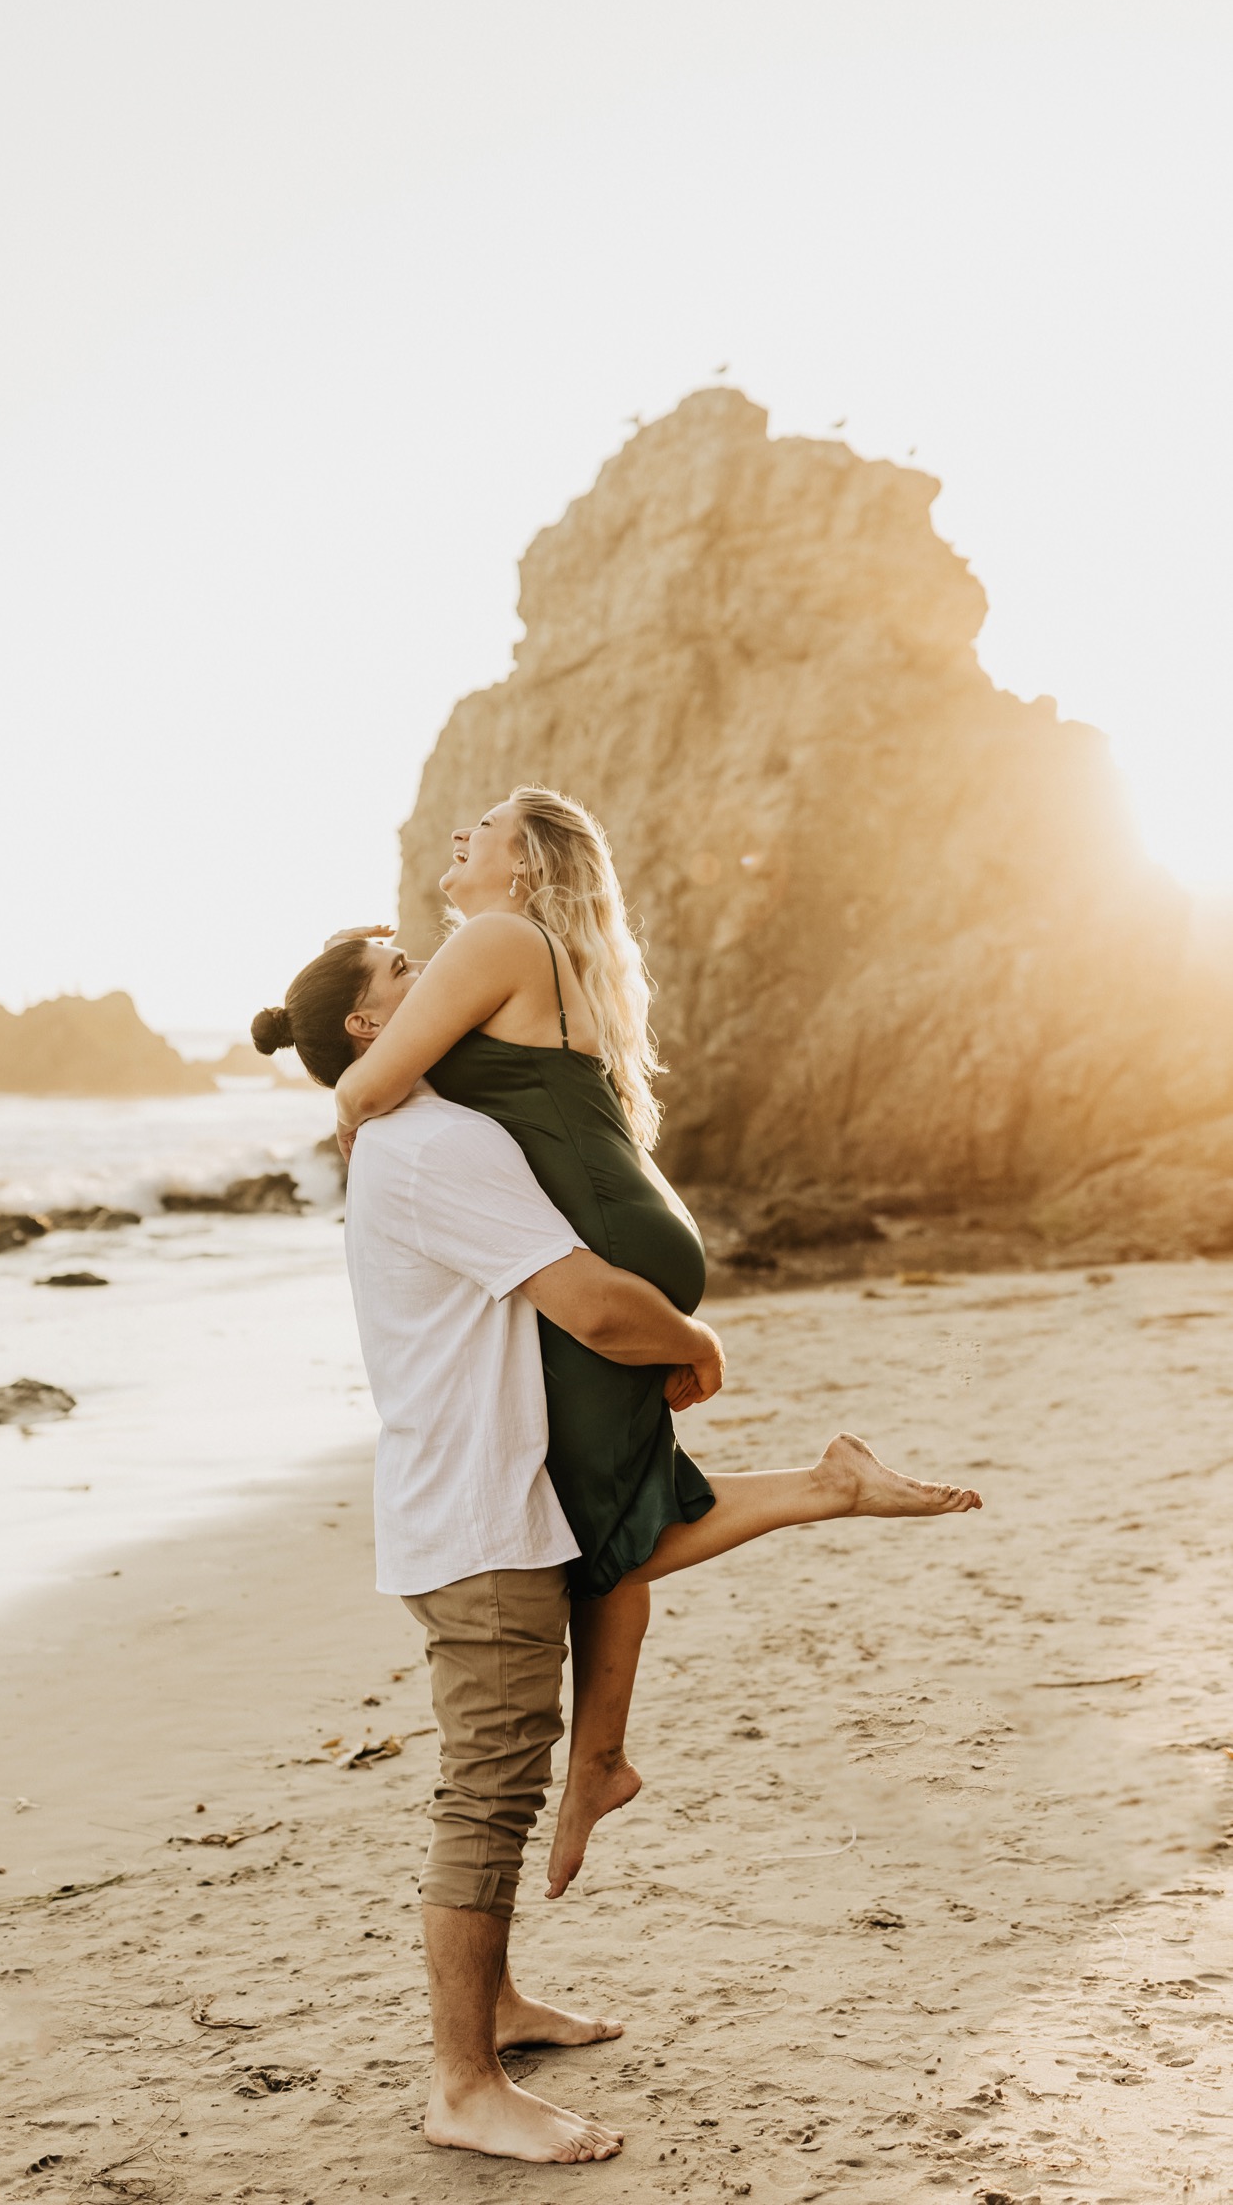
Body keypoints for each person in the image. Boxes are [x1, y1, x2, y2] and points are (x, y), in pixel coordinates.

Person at [324, 787, 981, 1896]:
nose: (456, 839)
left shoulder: (494, 938)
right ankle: (604, 1758)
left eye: (477, 830)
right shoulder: (529, 950)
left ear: (523, 864)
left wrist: (348, 1115)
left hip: (607, 1251)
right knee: (600, 1513)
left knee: (583, 1529)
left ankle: (811, 1506)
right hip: (626, 1227)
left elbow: (371, 1082)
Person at [253, 941, 725, 2162]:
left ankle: (498, 2010)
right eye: (408, 965)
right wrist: (691, 1341)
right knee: (491, 1791)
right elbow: (588, 1303)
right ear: (369, 1023)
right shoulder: (433, 1146)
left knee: (500, 1780)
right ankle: (461, 2083)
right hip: (475, 1521)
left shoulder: (417, 1134)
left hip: (466, 1506)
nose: (442, 967)